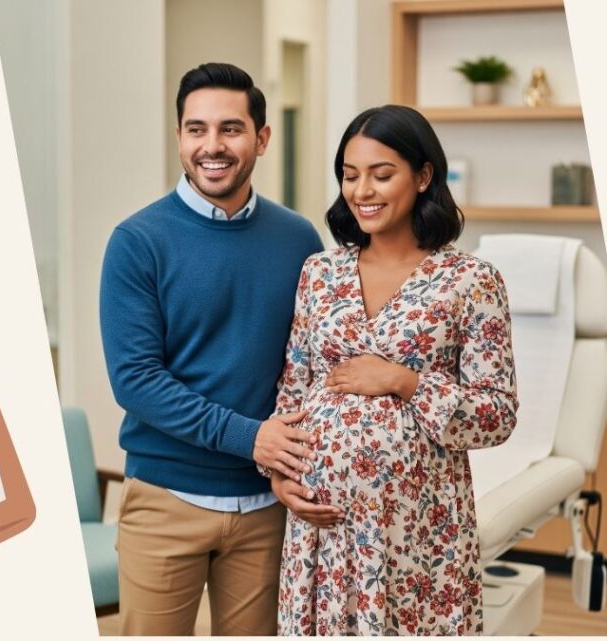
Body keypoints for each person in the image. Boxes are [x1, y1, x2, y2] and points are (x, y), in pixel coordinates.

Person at [267, 105, 518, 635]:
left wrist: (404, 381)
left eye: (382, 175)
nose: (363, 191)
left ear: (424, 176)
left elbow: (496, 413)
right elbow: (293, 390)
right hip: (323, 537)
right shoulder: (320, 272)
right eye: (350, 175)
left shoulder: (470, 280)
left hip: (418, 536)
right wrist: (281, 478)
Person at [99, 62, 323, 636]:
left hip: (268, 505)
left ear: (262, 138)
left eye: (230, 128)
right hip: (166, 501)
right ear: (179, 137)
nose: (212, 146)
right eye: (196, 129)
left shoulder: (299, 241)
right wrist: (253, 438)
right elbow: (137, 381)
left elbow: (314, 364)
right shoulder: (137, 242)